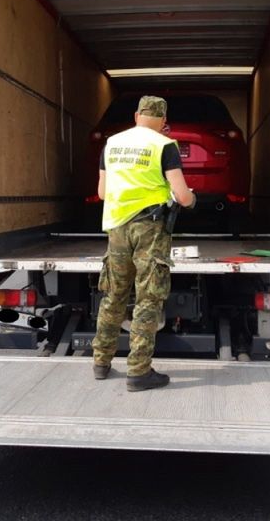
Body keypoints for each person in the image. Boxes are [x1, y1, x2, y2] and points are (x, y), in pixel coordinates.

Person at [92, 95, 195, 391]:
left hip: (116, 228)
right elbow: (183, 196)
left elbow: (101, 192)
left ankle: (101, 362)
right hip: (149, 229)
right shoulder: (164, 145)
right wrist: (191, 199)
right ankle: (138, 372)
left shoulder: (111, 144)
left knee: (113, 296)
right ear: (163, 121)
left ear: (137, 115)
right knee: (148, 298)